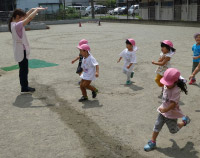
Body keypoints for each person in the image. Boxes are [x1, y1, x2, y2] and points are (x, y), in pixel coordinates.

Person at [144, 68, 190, 151]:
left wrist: (165, 110)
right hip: (162, 111)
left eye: (168, 83)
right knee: (157, 125)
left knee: (173, 130)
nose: (166, 85)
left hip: (171, 114)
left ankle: (184, 121)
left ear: (175, 82)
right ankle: (152, 142)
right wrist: (163, 109)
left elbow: (173, 104)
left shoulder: (176, 90)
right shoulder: (166, 85)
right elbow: (165, 92)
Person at [8, 7, 47, 94]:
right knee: (23, 70)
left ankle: (24, 86)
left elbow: (26, 16)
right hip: (22, 50)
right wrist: (36, 11)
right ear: (17, 16)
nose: (24, 18)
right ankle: (24, 87)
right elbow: (29, 18)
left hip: (20, 49)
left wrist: (33, 9)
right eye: (22, 17)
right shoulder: (17, 25)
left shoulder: (13, 23)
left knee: (24, 69)